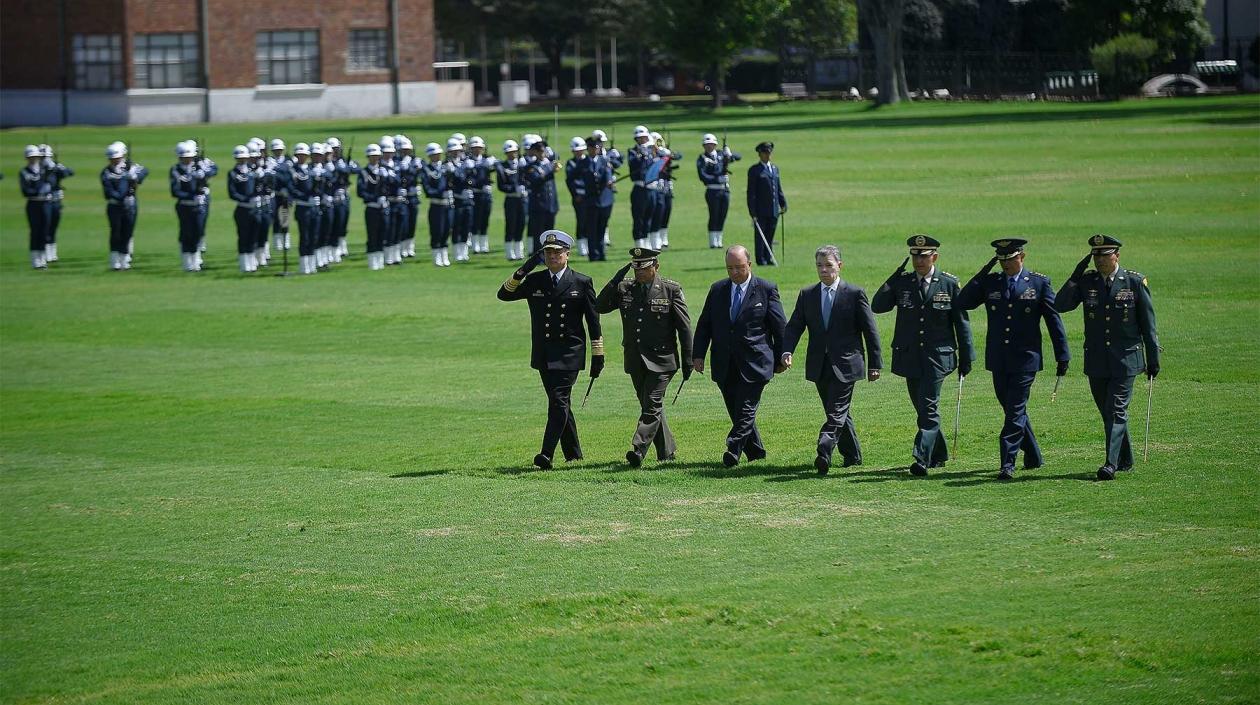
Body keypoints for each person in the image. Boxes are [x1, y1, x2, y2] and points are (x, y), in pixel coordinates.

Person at [955, 239, 1070, 479]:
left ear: (1022, 257)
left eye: (1010, 259)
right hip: (999, 358)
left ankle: (1007, 463)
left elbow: (1053, 320)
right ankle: (1034, 455)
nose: (1006, 264)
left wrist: (1062, 354)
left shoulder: (1038, 283)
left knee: (1015, 411)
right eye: (1001, 260)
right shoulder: (991, 282)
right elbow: (963, 302)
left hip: (1026, 359)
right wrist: (983, 272)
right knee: (1011, 408)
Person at [1055, 234, 1161, 481]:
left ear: (1117, 256)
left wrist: (1153, 359)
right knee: (1108, 412)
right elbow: (1060, 305)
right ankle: (1125, 459)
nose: (1100, 260)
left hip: (1126, 359)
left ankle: (1110, 464)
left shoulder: (1133, 282)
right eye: (1096, 256)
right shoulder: (1087, 281)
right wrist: (1075, 275)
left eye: (1105, 255)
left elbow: (1149, 325)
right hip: (1097, 360)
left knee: (1115, 410)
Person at [496, 230, 604, 469]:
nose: (552, 256)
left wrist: (598, 354)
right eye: (548, 253)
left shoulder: (581, 282)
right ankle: (574, 454)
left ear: (567, 254)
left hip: (569, 353)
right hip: (544, 353)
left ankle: (546, 454)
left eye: (557, 252)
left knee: (558, 401)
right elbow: (504, 295)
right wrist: (523, 270)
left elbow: (593, 321)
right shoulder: (535, 280)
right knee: (560, 403)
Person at [871, 235, 975, 476]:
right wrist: (893, 278)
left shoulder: (948, 284)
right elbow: (878, 306)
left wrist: (966, 357)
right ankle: (939, 454)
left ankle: (921, 457)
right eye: (915, 257)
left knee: (928, 406)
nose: (919, 261)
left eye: (924, 257)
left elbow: (961, 324)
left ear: (934, 257)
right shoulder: (903, 283)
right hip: (910, 356)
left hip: (938, 357)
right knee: (922, 407)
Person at [781, 245, 882, 474]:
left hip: (847, 364)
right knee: (836, 411)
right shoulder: (807, 295)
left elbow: (870, 331)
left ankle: (824, 449)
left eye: (828, 265)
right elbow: (795, 326)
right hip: (819, 364)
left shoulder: (855, 294)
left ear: (840, 265)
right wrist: (787, 351)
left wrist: (875, 364)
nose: (824, 270)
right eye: (819, 265)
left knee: (836, 410)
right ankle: (853, 456)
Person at [595, 247, 693, 467]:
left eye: (644, 268)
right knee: (651, 406)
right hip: (635, 358)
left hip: (662, 360)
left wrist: (688, 360)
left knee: (652, 404)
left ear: (655, 266)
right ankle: (667, 452)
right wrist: (615, 280)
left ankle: (638, 449)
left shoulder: (670, 290)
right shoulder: (625, 288)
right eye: (636, 268)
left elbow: (684, 328)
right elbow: (599, 306)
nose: (639, 272)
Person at [692, 245, 787, 467]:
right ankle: (756, 453)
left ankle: (733, 448)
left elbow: (780, 327)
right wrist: (698, 355)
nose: (734, 272)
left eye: (739, 267)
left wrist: (782, 356)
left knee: (746, 409)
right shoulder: (717, 290)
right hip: (724, 362)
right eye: (730, 268)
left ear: (749, 265)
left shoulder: (766, 289)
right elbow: (705, 324)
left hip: (756, 362)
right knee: (737, 410)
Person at [100, 142, 147, 271]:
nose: (115, 160)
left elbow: (144, 171)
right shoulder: (106, 172)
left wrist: (135, 176)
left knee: (127, 233)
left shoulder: (130, 168)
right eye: (112, 158)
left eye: (117, 158)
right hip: (115, 206)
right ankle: (114, 261)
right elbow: (109, 192)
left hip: (130, 206)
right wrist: (125, 182)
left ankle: (125, 261)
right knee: (115, 233)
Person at [746, 141, 787, 266]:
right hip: (761, 210)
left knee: (770, 234)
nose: (768, 155)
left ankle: (769, 257)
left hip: (773, 209)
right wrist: (752, 212)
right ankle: (761, 258)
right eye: (765, 153)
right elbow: (751, 193)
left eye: (769, 153)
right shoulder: (755, 170)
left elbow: (778, 188)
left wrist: (783, 203)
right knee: (760, 235)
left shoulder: (774, 169)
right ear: (760, 154)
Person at [170, 141, 207, 272]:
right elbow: (175, 191)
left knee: (198, 232)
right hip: (185, 206)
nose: (188, 160)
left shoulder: (198, 168)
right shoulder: (176, 170)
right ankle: (187, 263)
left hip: (199, 206)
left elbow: (211, 172)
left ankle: (196, 261)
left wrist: (203, 175)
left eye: (190, 157)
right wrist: (191, 196)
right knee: (187, 233)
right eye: (185, 157)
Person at [697, 133, 739, 249]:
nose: (709, 146)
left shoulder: (721, 155)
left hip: (724, 190)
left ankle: (719, 240)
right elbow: (702, 176)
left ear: (715, 145)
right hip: (712, 190)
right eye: (707, 144)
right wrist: (717, 179)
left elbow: (738, 157)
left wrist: (729, 153)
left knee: (722, 215)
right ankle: (713, 241)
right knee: (714, 215)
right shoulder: (702, 158)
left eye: (711, 144)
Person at [358, 143, 393, 271]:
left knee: (383, 233)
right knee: (372, 234)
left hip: (383, 207)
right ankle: (372, 261)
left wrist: (388, 177)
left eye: (377, 156)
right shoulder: (364, 172)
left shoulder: (384, 170)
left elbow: (393, 186)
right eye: (372, 156)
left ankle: (380, 260)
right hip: (372, 207)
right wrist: (374, 198)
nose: (375, 158)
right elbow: (361, 192)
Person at [226, 145, 260, 273]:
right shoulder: (233, 173)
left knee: (253, 236)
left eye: (244, 157)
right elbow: (232, 193)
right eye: (239, 158)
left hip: (255, 209)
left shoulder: (253, 171)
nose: (242, 160)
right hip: (243, 209)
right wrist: (246, 199)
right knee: (243, 236)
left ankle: (252, 262)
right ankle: (244, 264)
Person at [287, 143, 320, 275]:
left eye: (304, 155)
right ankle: (304, 265)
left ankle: (312, 264)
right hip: (303, 207)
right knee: (305, 236)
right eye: (299, 155)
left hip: (314, 208)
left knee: (314, 236)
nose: (302, 157)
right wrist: (306, 198)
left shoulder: (312, 170)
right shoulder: (293, 171)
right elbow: (292, 189)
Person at [19, 145, 52, 269]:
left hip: (45, 204)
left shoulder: (44, 170)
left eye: (35, 156)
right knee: (35, 231)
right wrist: (39, 191)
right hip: (33, 204)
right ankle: (35, 260)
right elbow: (26, 191)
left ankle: (42, 258)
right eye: (31, 157)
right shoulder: (24, 172)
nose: (33, 159)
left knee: (45, 231)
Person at [420, 142, 452, 267]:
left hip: (447, 204)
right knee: (437, 231)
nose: (437, 156)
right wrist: (440, 192)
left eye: (438, 154)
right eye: (434, 155)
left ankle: (444, 256)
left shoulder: (445, 167)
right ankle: (436, 257)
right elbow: (428, 190)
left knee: (446, 231)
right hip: (436, 205)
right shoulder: (427, 170)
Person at [41, 144, 73, 263]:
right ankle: (45, 253)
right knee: (45, 227)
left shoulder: (55, 167)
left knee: (53, 227)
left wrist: (58, 168)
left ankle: (53, 253)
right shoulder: (38, 170)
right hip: (44, 202)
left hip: (56, 201)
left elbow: (70, 172)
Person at [523, 140, 559, 246]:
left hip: (550, 205)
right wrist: (551, 172)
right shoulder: (531, 167)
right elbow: (536, 180)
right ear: (535, 152)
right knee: (539, 234)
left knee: (550, 235)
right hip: (539, 206)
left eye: (543, 151)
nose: (542, 153)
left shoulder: (548, 164)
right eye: (539, 151)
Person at [496, 139, 527, 261]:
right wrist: (514, 189)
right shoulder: (502, 166)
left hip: (522, 199)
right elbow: (501, 186)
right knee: (511, 224)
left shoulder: (522, 164)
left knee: (521, 223)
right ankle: (509, 252)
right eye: (509, 152)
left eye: (514, 151)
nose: (512, 154)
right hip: (511, 199)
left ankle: (519, 251)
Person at [447, 138, 475, 263]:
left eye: (458, 150)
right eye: (453, 151)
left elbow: (473, 179)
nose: (456, 153)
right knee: (457, 226)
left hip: (467, 200)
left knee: (466, 225)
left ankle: (464, 252)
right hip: (456, 200)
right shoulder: (448, 165)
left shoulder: (466, 163)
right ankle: (456, 252)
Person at [468, 136, 496, 255]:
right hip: (474, 194)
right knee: (475, 220)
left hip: (486, 194)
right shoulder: (468, 161)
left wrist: (493, 163)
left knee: (485, 219)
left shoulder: (487, 160)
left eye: (479, 147)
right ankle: (475, 245)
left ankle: (484, 245)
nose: (477, 150)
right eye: (474, 148)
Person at [564, 136, 592, 257]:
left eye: (580, 150)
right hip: (579, 196)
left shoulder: (589, 161)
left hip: (590, 195)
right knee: (581, 220)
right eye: (576, 150)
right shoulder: (571, 163)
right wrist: (575, 194)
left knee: (591, 221)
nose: (578, 152)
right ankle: (582, 247)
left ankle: (590, 244)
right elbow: (570, 181)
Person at [268, 138, 292, 257]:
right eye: (276, 150)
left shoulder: (288, 161)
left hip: (285, 194)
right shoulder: (269, 161)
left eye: (280, 150)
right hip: (274, 194)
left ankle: (285, 240)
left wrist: (277, 168)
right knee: (275, 219)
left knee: (285, 217)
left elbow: (288, 175)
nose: (278, 152)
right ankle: (277, 242)